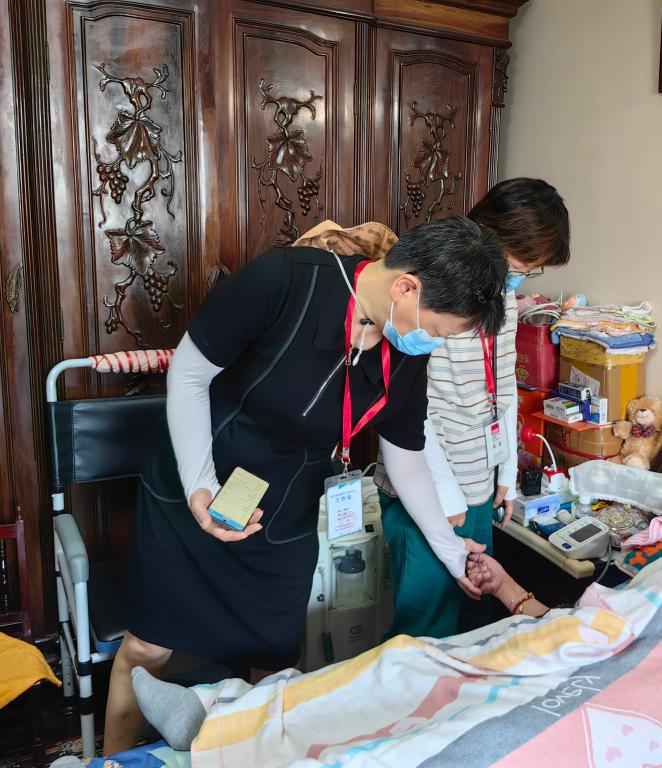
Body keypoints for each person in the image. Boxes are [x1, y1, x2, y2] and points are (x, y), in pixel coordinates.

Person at [102, 216, 507, 754]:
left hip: (285, 508)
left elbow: (406, 452)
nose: (432, 343)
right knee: (148, 648)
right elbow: (190, 374)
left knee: (272, 662)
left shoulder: (406, 350)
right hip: (198, 477)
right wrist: (200, 486)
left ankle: (243, 754)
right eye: (436, 330)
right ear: (406, 288)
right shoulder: (285, 280)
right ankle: (109, 762)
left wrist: (453, 552)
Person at [374, 178, 570, 638]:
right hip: (427, 489)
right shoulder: (436, 293)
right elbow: (406, 411)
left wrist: (505, 473)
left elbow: (503, 385)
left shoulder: (504, 298)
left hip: (480, 483)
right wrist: (444, 494)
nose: (521, 277)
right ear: (490, 237)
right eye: (521, 265)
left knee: (475, 614)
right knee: (427, 626)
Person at [125, 551, 547, 752]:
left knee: (435, 728)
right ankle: (218, 708)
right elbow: (559, 621)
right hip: (529, 647)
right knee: (394, 663)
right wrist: (504, 585)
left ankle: (219, 721)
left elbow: (569, 626)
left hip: (544, 673)